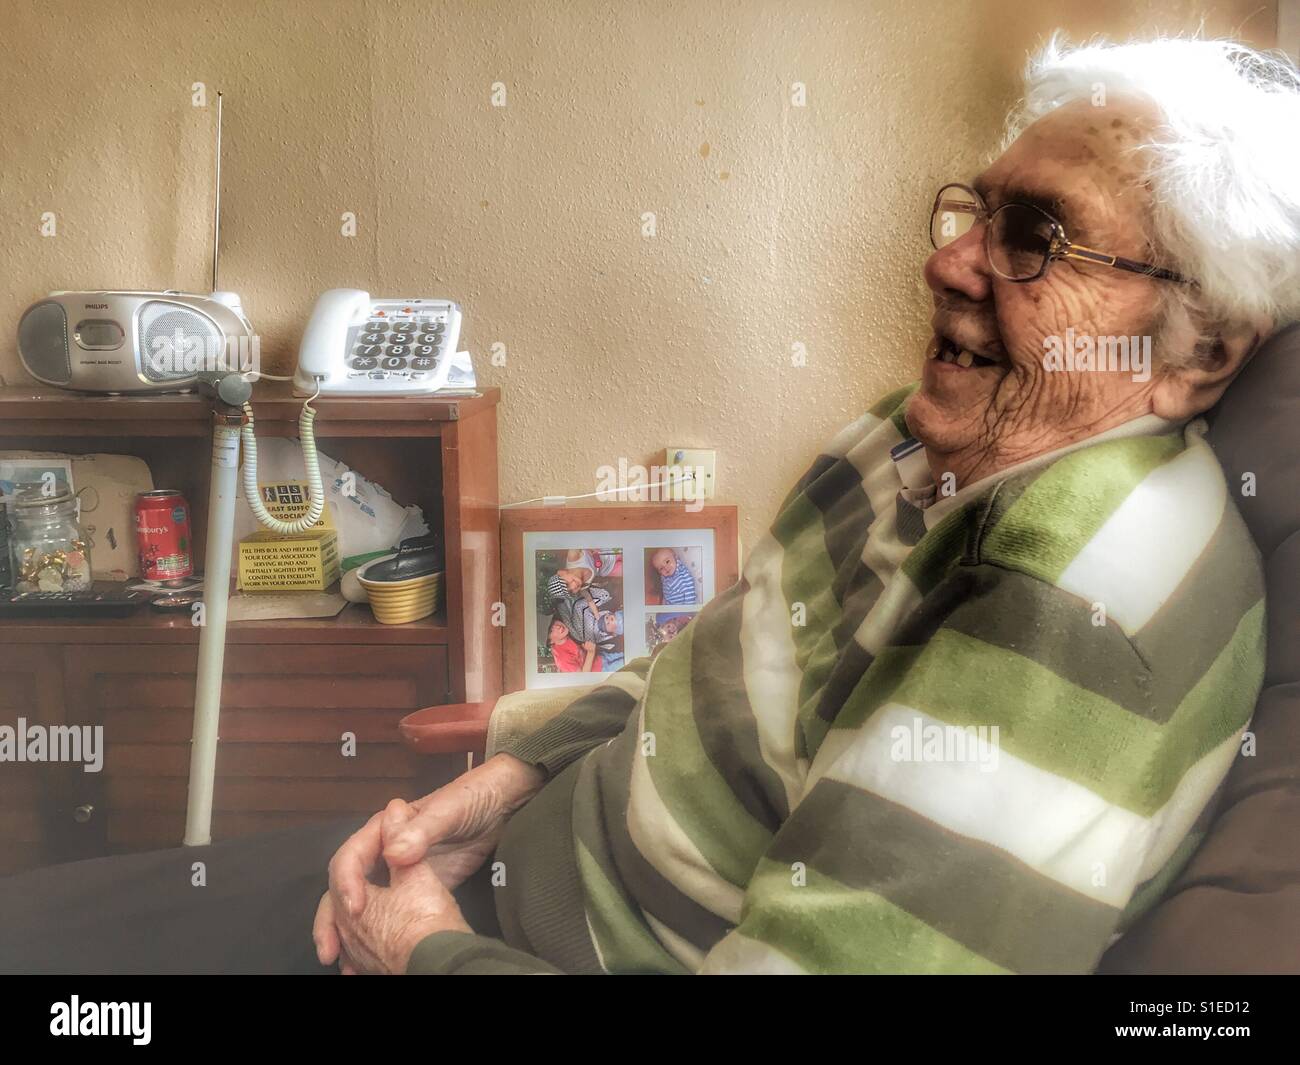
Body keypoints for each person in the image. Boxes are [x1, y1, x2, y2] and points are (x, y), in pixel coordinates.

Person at [2, 35, 1297, 975]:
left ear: (1201, 349)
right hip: (513, 869)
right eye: (974, 207)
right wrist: (509, 778)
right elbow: (724, 658)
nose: (948, 257)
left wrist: (430, 954)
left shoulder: (1071, 606)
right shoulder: (924, 433)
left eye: (1037, 235)